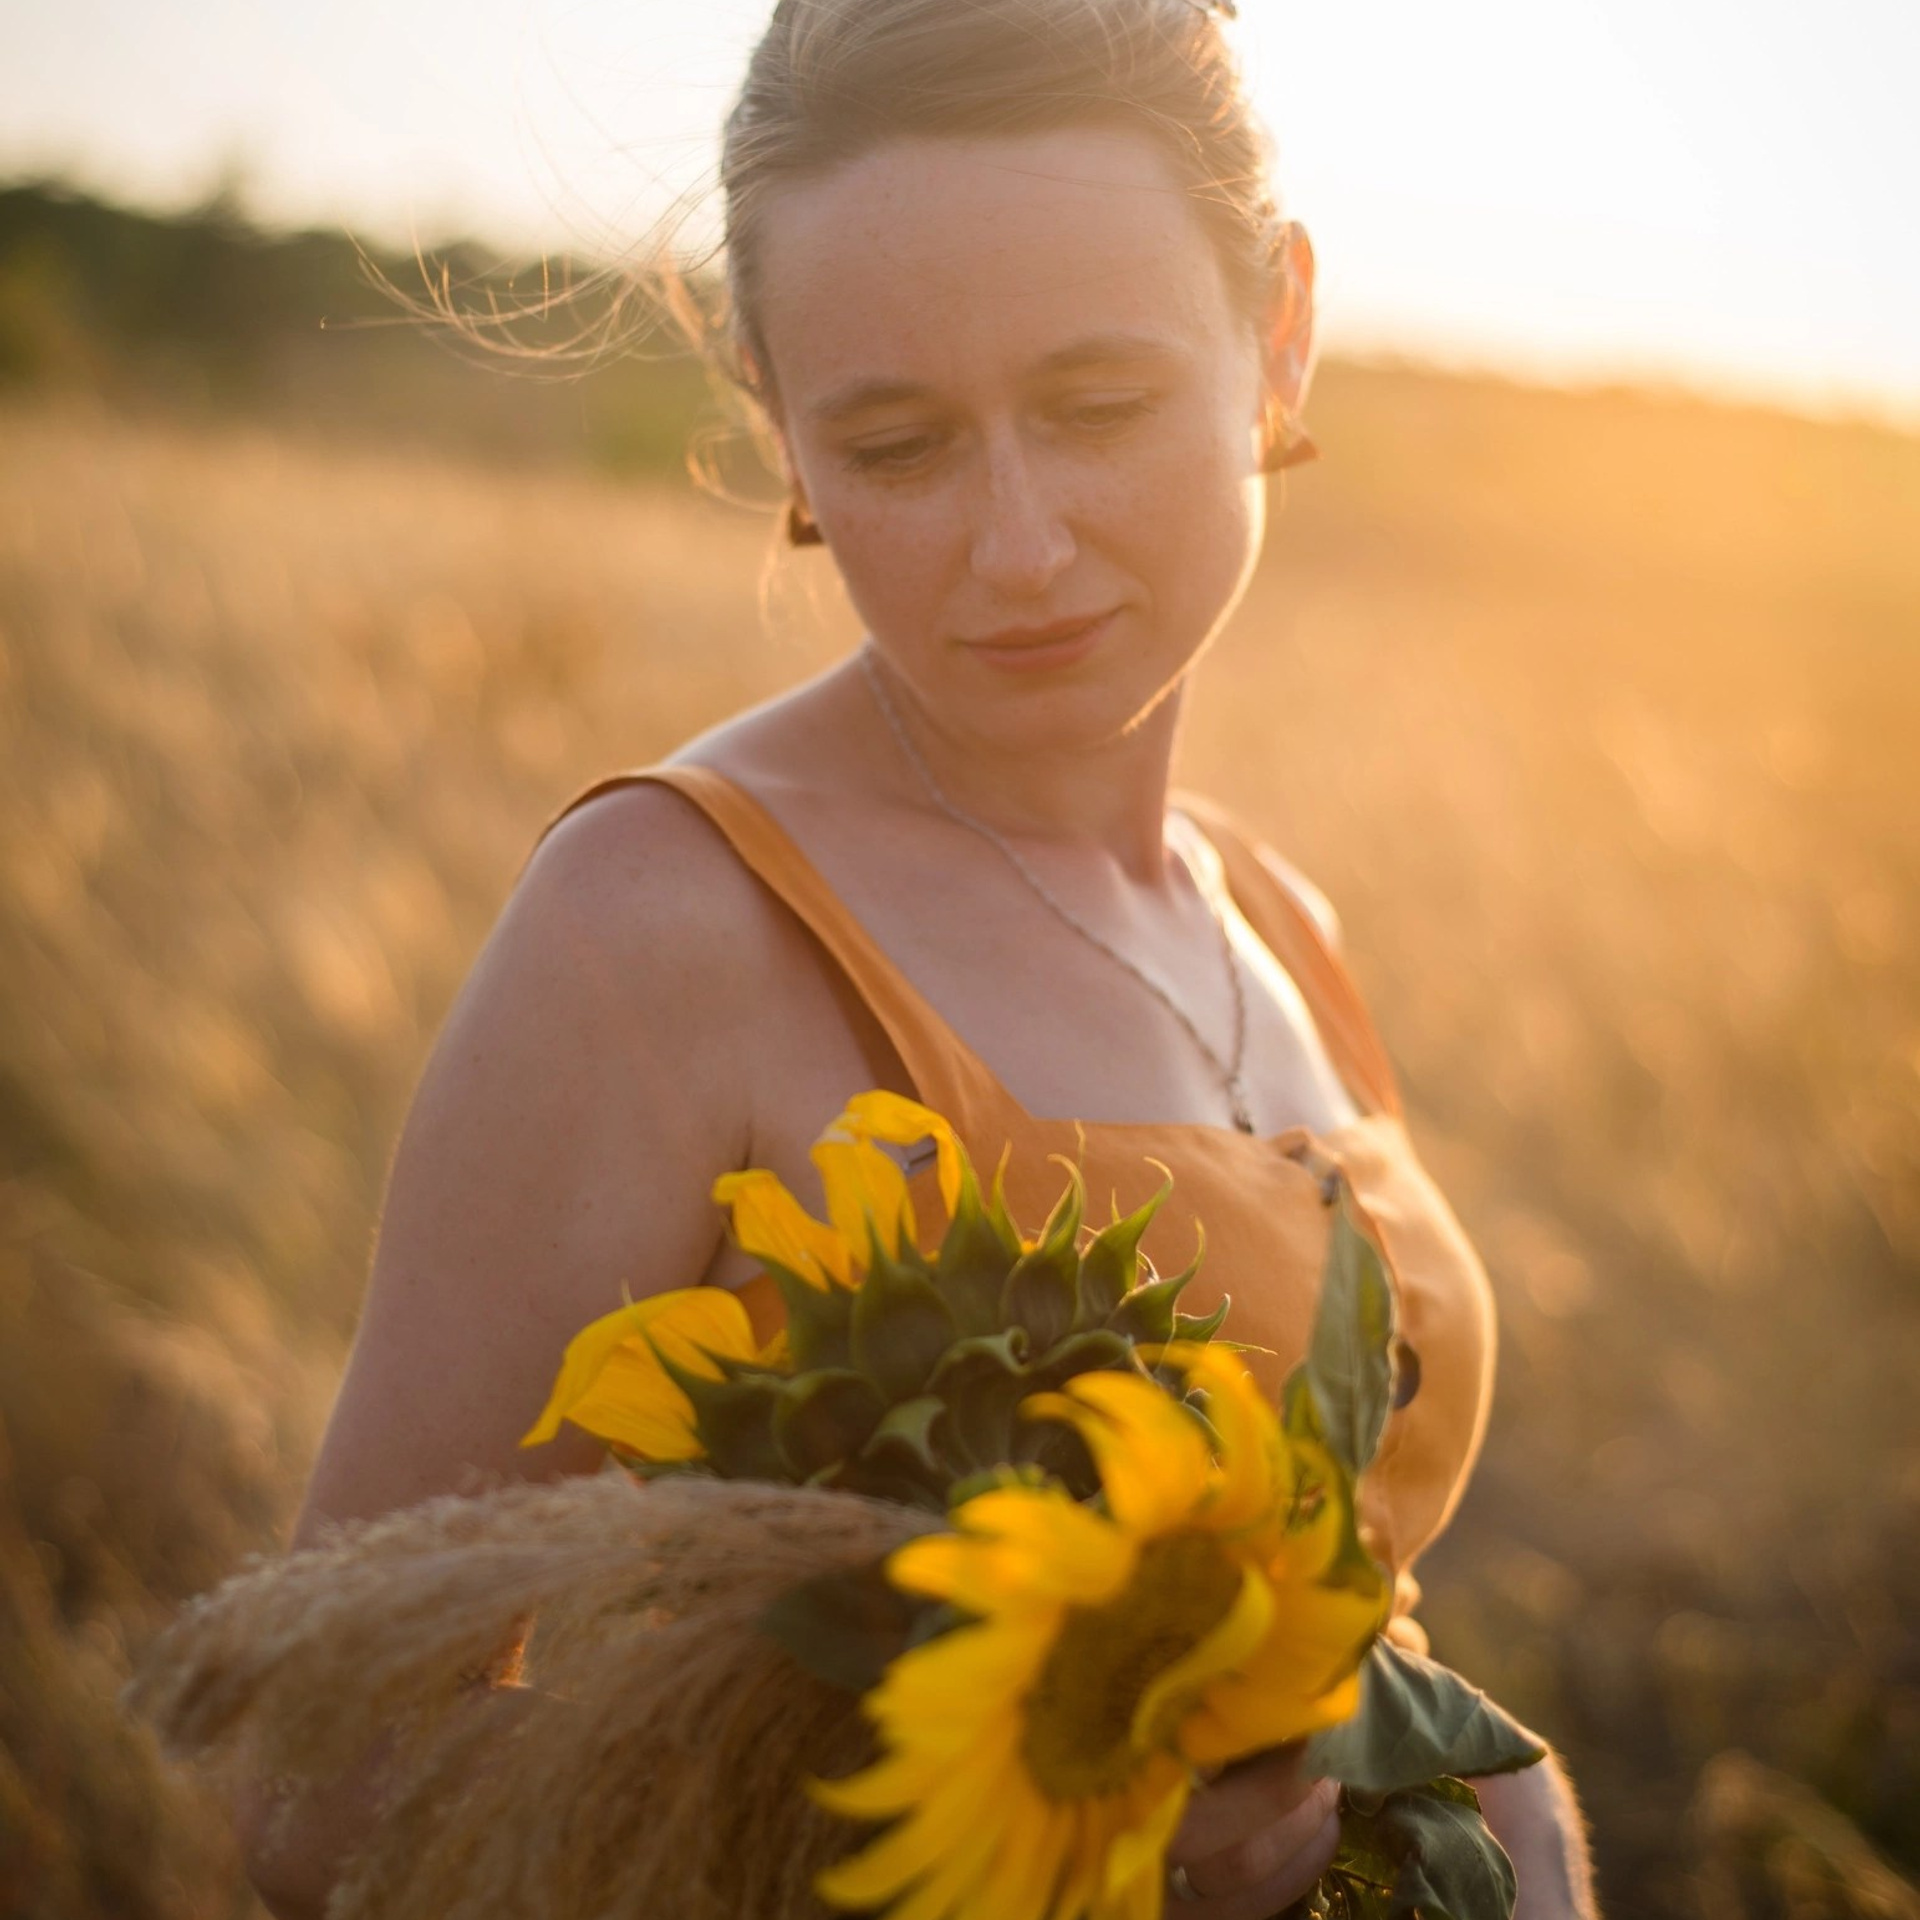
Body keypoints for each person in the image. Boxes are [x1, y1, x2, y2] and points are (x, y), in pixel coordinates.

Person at [239, 1, 1599, 1915]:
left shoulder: (1275, 919)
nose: (1019, 546)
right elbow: (325, 1783)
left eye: (1098, 407)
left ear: (1278, 331)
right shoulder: (664, 924)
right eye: (896, 442)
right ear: (775, 414)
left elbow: (1373, 1629)